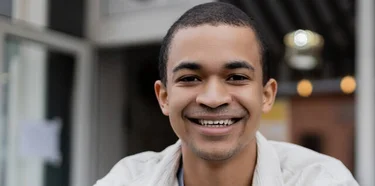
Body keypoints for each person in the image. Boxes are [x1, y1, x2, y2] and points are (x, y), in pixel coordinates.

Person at [94, 2, 358, 186]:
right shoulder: (126, 180)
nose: (213, 98)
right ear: (164, 97)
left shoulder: (322, 180)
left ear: (266, 95)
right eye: (190, 78)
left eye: (236, 78)